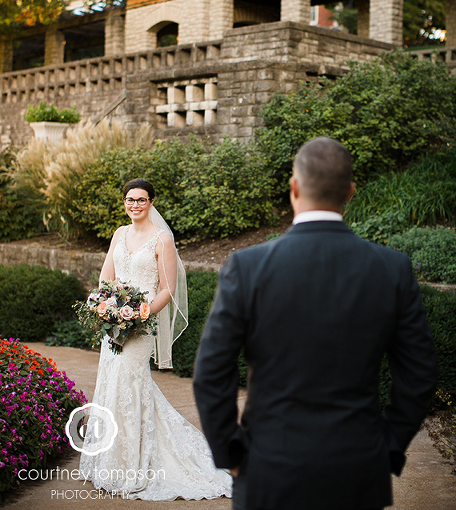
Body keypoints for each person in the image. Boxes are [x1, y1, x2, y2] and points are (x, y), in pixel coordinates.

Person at [193, 137, 437, 510]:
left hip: (268, 469)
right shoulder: (392, 269)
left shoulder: (247, 267)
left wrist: (233, 455)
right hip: (358, 469)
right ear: (350, 192)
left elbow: (211, 372)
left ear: (294, 188)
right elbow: (420, 373)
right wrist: (388, 446)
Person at [79, 178, 232, 501]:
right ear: (124, 202)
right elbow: (106, 277)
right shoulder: (119, 234)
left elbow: (167, 289)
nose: (134, 205)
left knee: (131, 385)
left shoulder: (163, 239)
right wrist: (108, 306)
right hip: (113, 324)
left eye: (141, 199)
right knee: (111, 383)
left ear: (151, 202)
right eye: (129, 199)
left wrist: (139, 314)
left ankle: (134, 465)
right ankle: (111, 461)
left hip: (139, 326)